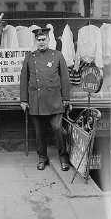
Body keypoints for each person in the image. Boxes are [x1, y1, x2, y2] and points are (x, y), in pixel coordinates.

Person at [20, 27, 72, 171]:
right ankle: (42, 157)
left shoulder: (58, 55)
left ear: (49, 40)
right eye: (38, 40)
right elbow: (24, 79)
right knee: (39, 132)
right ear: (35, 41)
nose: (41, 42)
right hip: (36, 101)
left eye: (44, 39)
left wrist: (66, 98)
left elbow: (65, 79)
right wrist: (24, 100)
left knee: (57, 128)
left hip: (55, 100)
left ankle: (63, 156)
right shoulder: (30, 57)